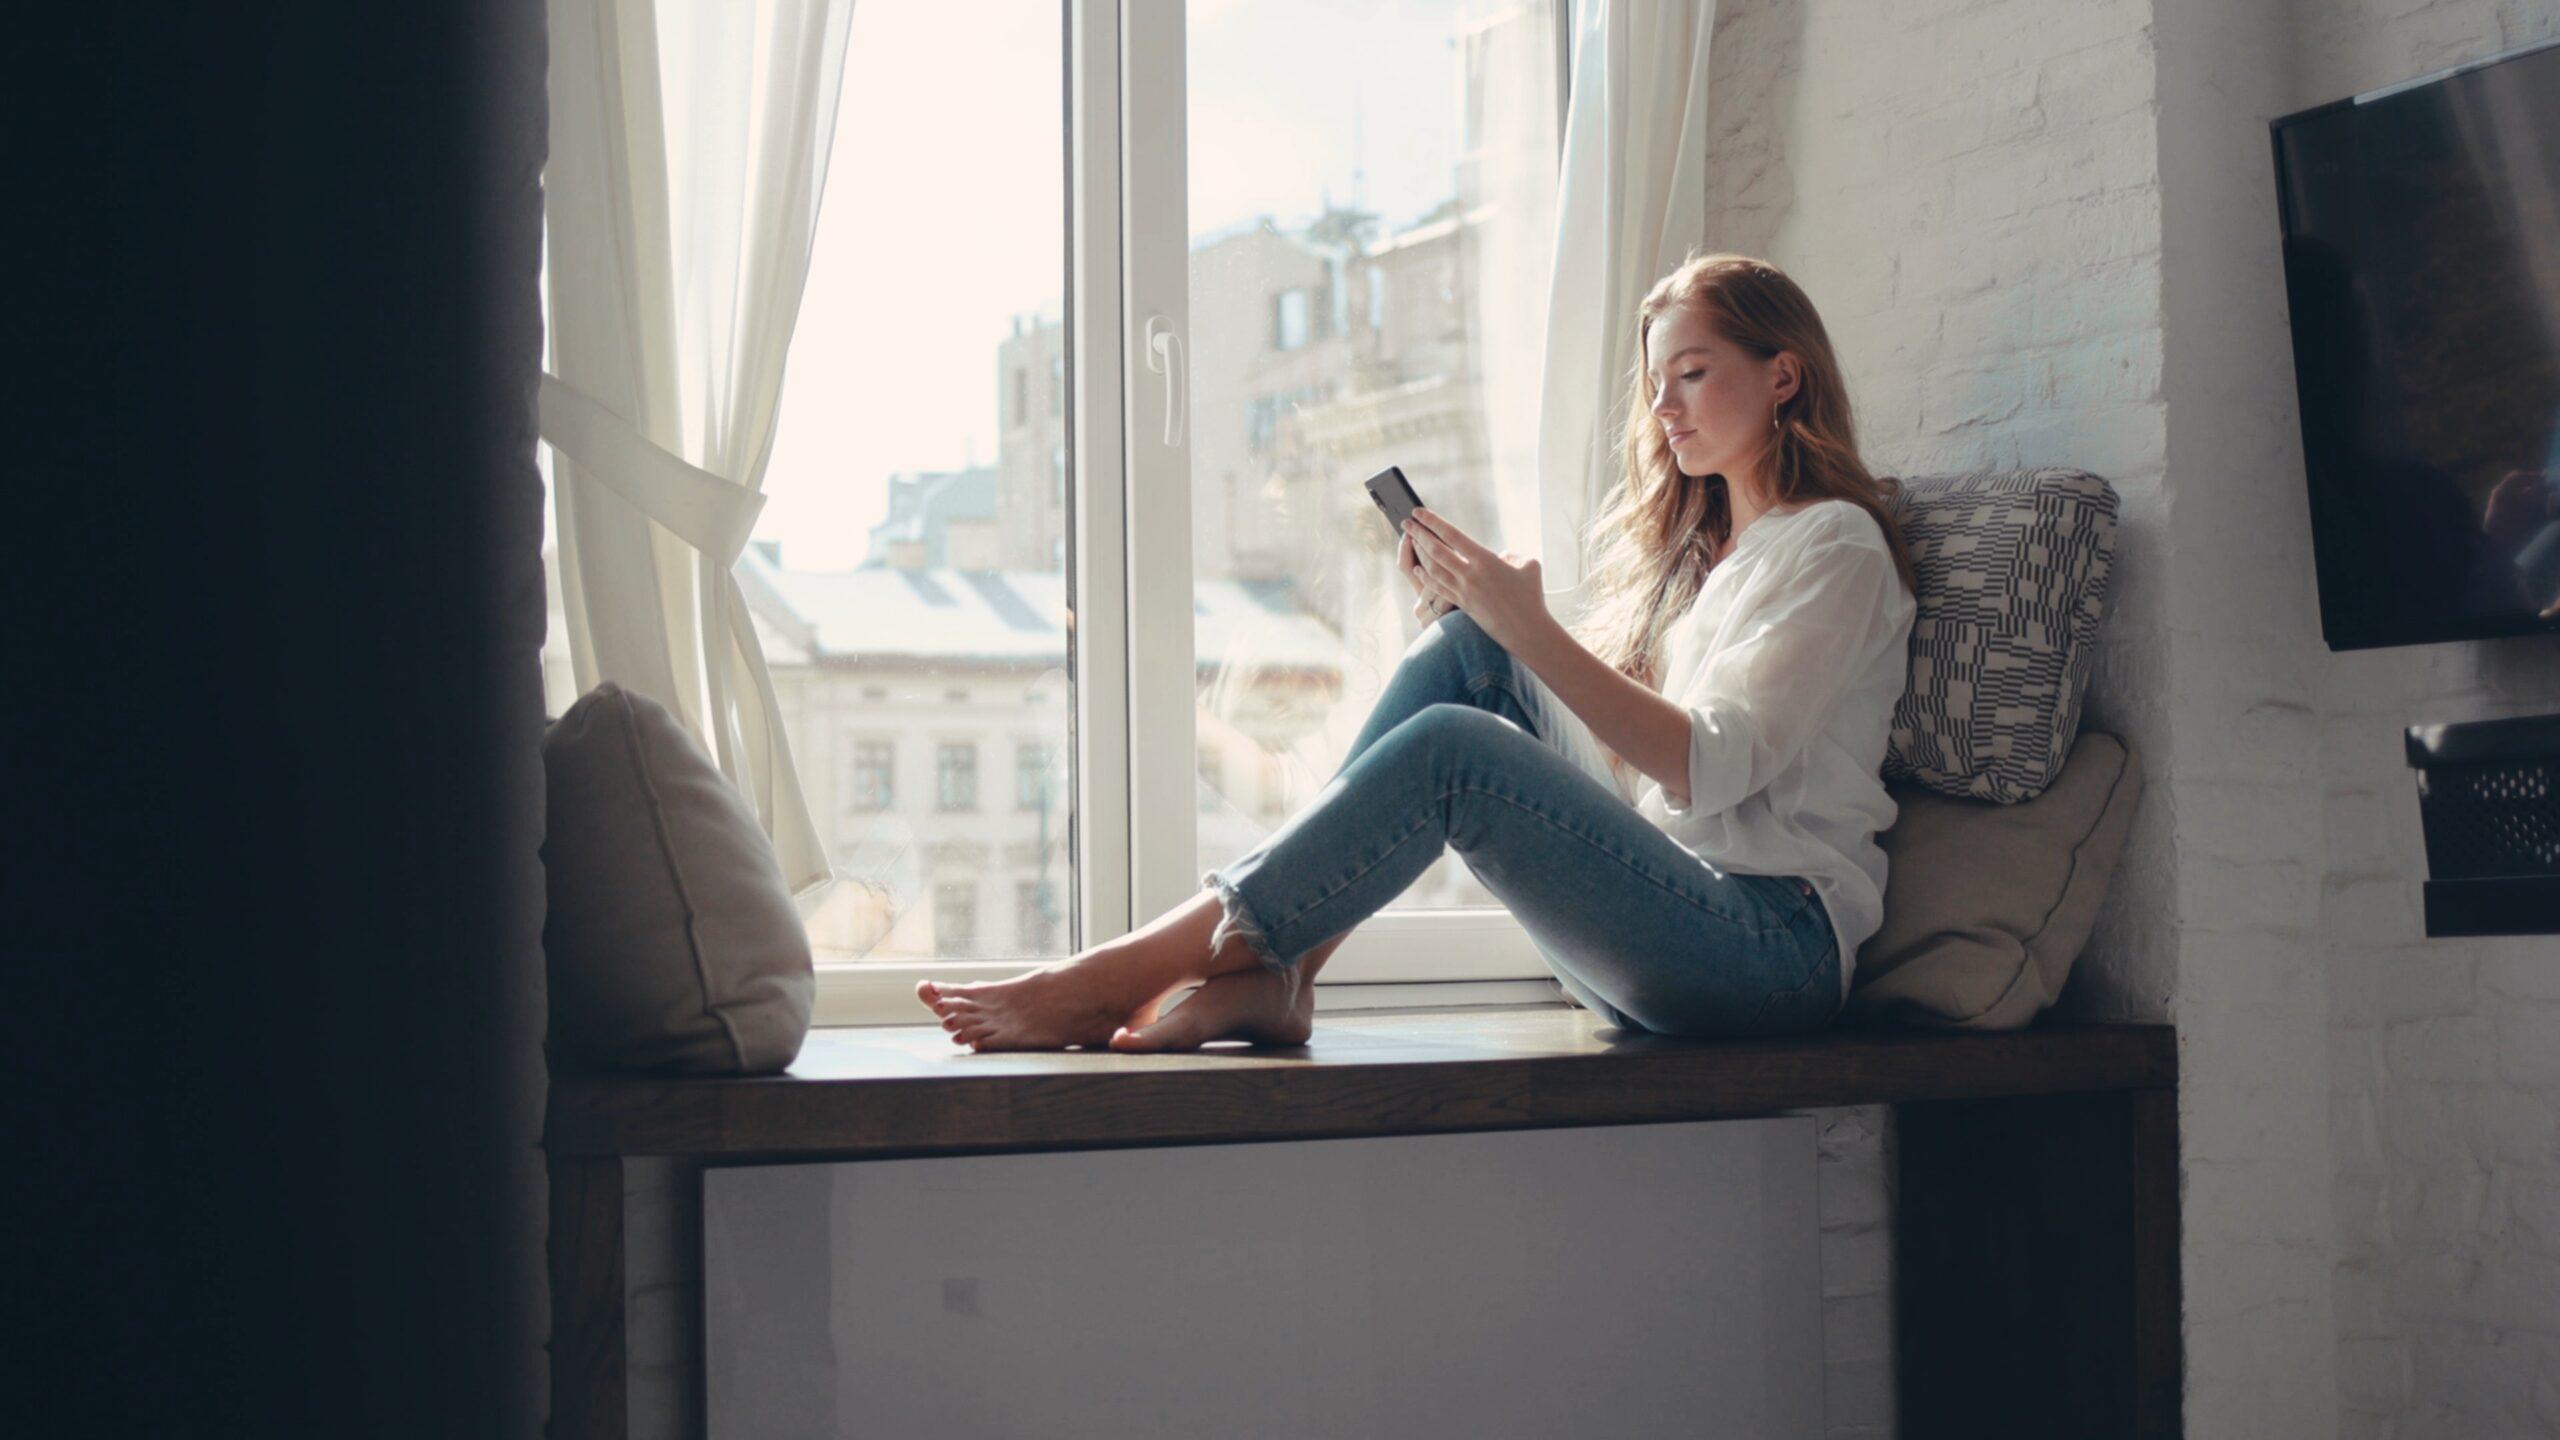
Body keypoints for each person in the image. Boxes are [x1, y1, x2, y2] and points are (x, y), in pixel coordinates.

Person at [917, 252, 1919, 1052]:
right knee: (1466, 653)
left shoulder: (1835, 545)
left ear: (1782, 374)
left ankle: (1115, 978)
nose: (1664, 412)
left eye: (1693, 376)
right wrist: (1495, 622)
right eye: (1656, 386)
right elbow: (1638, 784)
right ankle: (1285, 978)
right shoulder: (1712, 562)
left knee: (1456, 743)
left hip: (1767, 955)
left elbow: (1708, 766)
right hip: (1668, 923)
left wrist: (1534, 627)